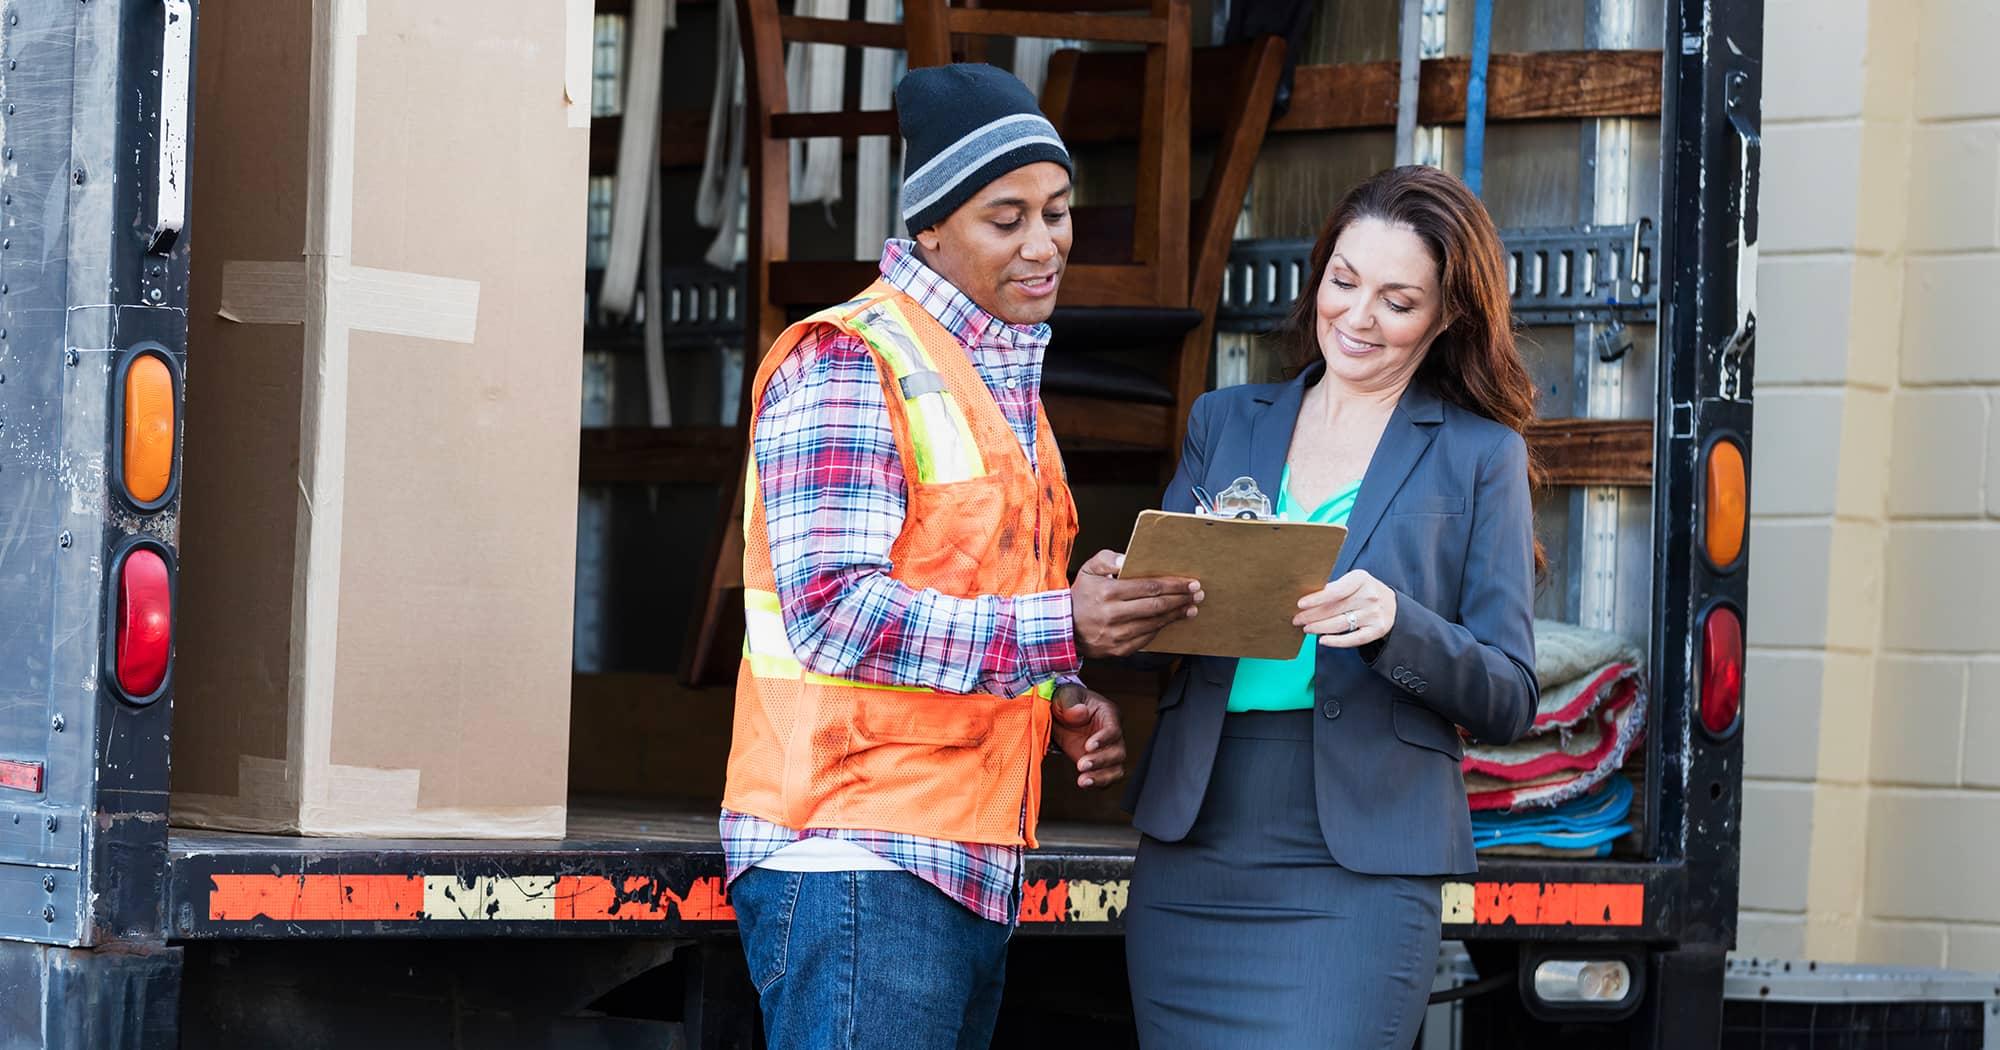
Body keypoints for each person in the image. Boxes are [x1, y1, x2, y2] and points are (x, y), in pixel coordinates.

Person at [720, 63, 1202, 1050]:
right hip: (854, 856)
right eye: (1006, 217)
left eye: (1059, 212)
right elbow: (833, 614)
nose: (1044, 245)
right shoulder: (852, 360)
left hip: (956, 859)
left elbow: (971, 600)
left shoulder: (1000, 387)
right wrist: (1063, 622)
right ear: (928, 229)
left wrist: (1058, 696)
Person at [1121, 165, 1542, 1049]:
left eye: (1396, 301)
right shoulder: (1225, 420)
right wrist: (1132, 593)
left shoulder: (1480, 455)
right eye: (1343, 283)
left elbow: (1509, 695)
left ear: (1447, 316)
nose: (1355, 318)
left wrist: (1399, 623)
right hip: (1199, 837)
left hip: (1362, 859)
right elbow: (1151, 630)